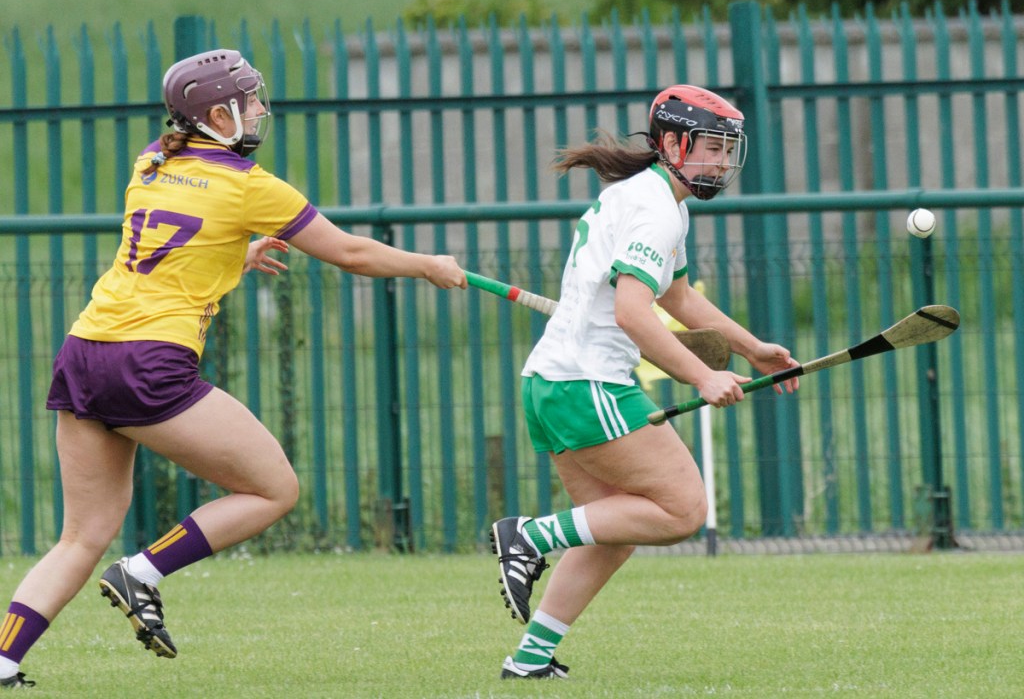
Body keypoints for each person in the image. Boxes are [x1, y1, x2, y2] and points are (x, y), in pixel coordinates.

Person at [0, 48, 465, 689]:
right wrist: (428, 265)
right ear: (217, 116)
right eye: (248, 102)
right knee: (273, 491)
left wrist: (232, 255)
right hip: (149, 361)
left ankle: (2, 660)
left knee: (79, 536)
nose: (259, 110)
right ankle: (142, 572)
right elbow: (351, 253)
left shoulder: (152, 161)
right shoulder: (249, 185)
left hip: (85, 351)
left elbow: (167, 244)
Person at [489, 85, 799, 679]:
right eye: (711, 148)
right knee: (682, 510)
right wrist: (704, 376)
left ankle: (529, 660)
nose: (721, 163)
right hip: (589, 385)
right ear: (674, 145)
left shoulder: (657, 200)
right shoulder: (655, 209)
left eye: (727, 150)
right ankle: (531, 534)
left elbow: (678, 298)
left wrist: (752, 348)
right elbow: (633, 313)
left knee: (613, 529)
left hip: (553, 383)